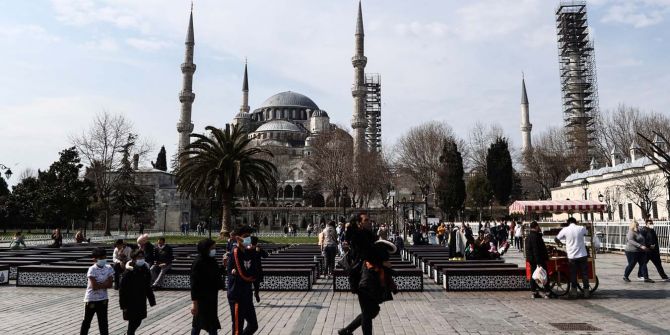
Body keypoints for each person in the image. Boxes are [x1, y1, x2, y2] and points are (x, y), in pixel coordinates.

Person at [339, 213, 396, 335]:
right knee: (368, 311)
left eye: (369, 220)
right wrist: (382, 262)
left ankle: (346, 331)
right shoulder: (358, 236)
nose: (369, 222)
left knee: (372, 310)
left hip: (369, 276)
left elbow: (374, 251)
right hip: (362, 277)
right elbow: (366, 255)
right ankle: (347, 331)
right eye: (366, 220)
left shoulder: (367, 235)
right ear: (359, 223)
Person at [227, 226, 259, 335]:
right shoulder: (235, 253)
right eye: (245, 237)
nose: (248, 239)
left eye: (249, 237)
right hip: (237, 295)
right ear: (238, 238)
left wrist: (253, 251)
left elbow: (255, 270)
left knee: (253, 325)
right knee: (237, 329)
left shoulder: (248, 252)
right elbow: (244, 274)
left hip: (247, 294)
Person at [191, 238, 224, 335]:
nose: (214, 250)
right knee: (198, 324)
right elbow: (194, 284)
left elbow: (215, 274)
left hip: (212, 297)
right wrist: (194, 303)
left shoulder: (211, 260)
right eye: (212, 248)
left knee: (210, 323)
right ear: (206, 249)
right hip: (202, 299)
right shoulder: (198, 262)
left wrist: (223, 266)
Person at [119, 249, 156, 335]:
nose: (141, 259)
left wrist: (152, 300)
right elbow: (122, 290)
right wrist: (123, 305)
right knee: (133, 322)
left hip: (141, 300)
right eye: (139, 257)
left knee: (138, 320)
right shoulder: (128, 272)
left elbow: (147, 286)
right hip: (130, 301)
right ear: (134, 259)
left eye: (142, 257)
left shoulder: (145, 270)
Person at [80, 247, 114, 335]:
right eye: (100, 258)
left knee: (103, 323)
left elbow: (110, 284)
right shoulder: (92, 269)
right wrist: (104, 284)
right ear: (94, 259)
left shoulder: (109, 268)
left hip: (103, 299)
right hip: (91, 299)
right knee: (87, 321)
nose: (103, 260)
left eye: (104, 258)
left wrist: (100, 284)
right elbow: (94, 286)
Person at [555, 217, 591, 298]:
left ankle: (574, 292)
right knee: (585, 274)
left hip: (572, 256)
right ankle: (586, 292)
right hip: (582, 255)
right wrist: (588, 226)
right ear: (575, 222)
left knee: (573, 274)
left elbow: (556, 239)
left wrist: (560, 244)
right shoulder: (580, 228)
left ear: (568, 223)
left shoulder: (565, 229)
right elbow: (587, 231)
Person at [525, 221, 554, 299]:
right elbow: (536, 250)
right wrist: (538, 261)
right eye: (538, 226)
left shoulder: (528, 237)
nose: (539, 228)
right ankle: (547, 292)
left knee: (533, 276)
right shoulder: (535, 236)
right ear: (536, 227)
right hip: (538, 260)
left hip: (531, 259)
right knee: (544, 275)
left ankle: (533, 292)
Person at [249, 236, 269, 303]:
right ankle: (253, 295)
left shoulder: (257, 248)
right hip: (252, 269)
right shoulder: (249, 248)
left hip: (255, 269)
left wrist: (260, 250)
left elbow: (265, 255)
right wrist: (258, 251)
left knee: (256, 284)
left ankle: (256, 293)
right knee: (253, 284)